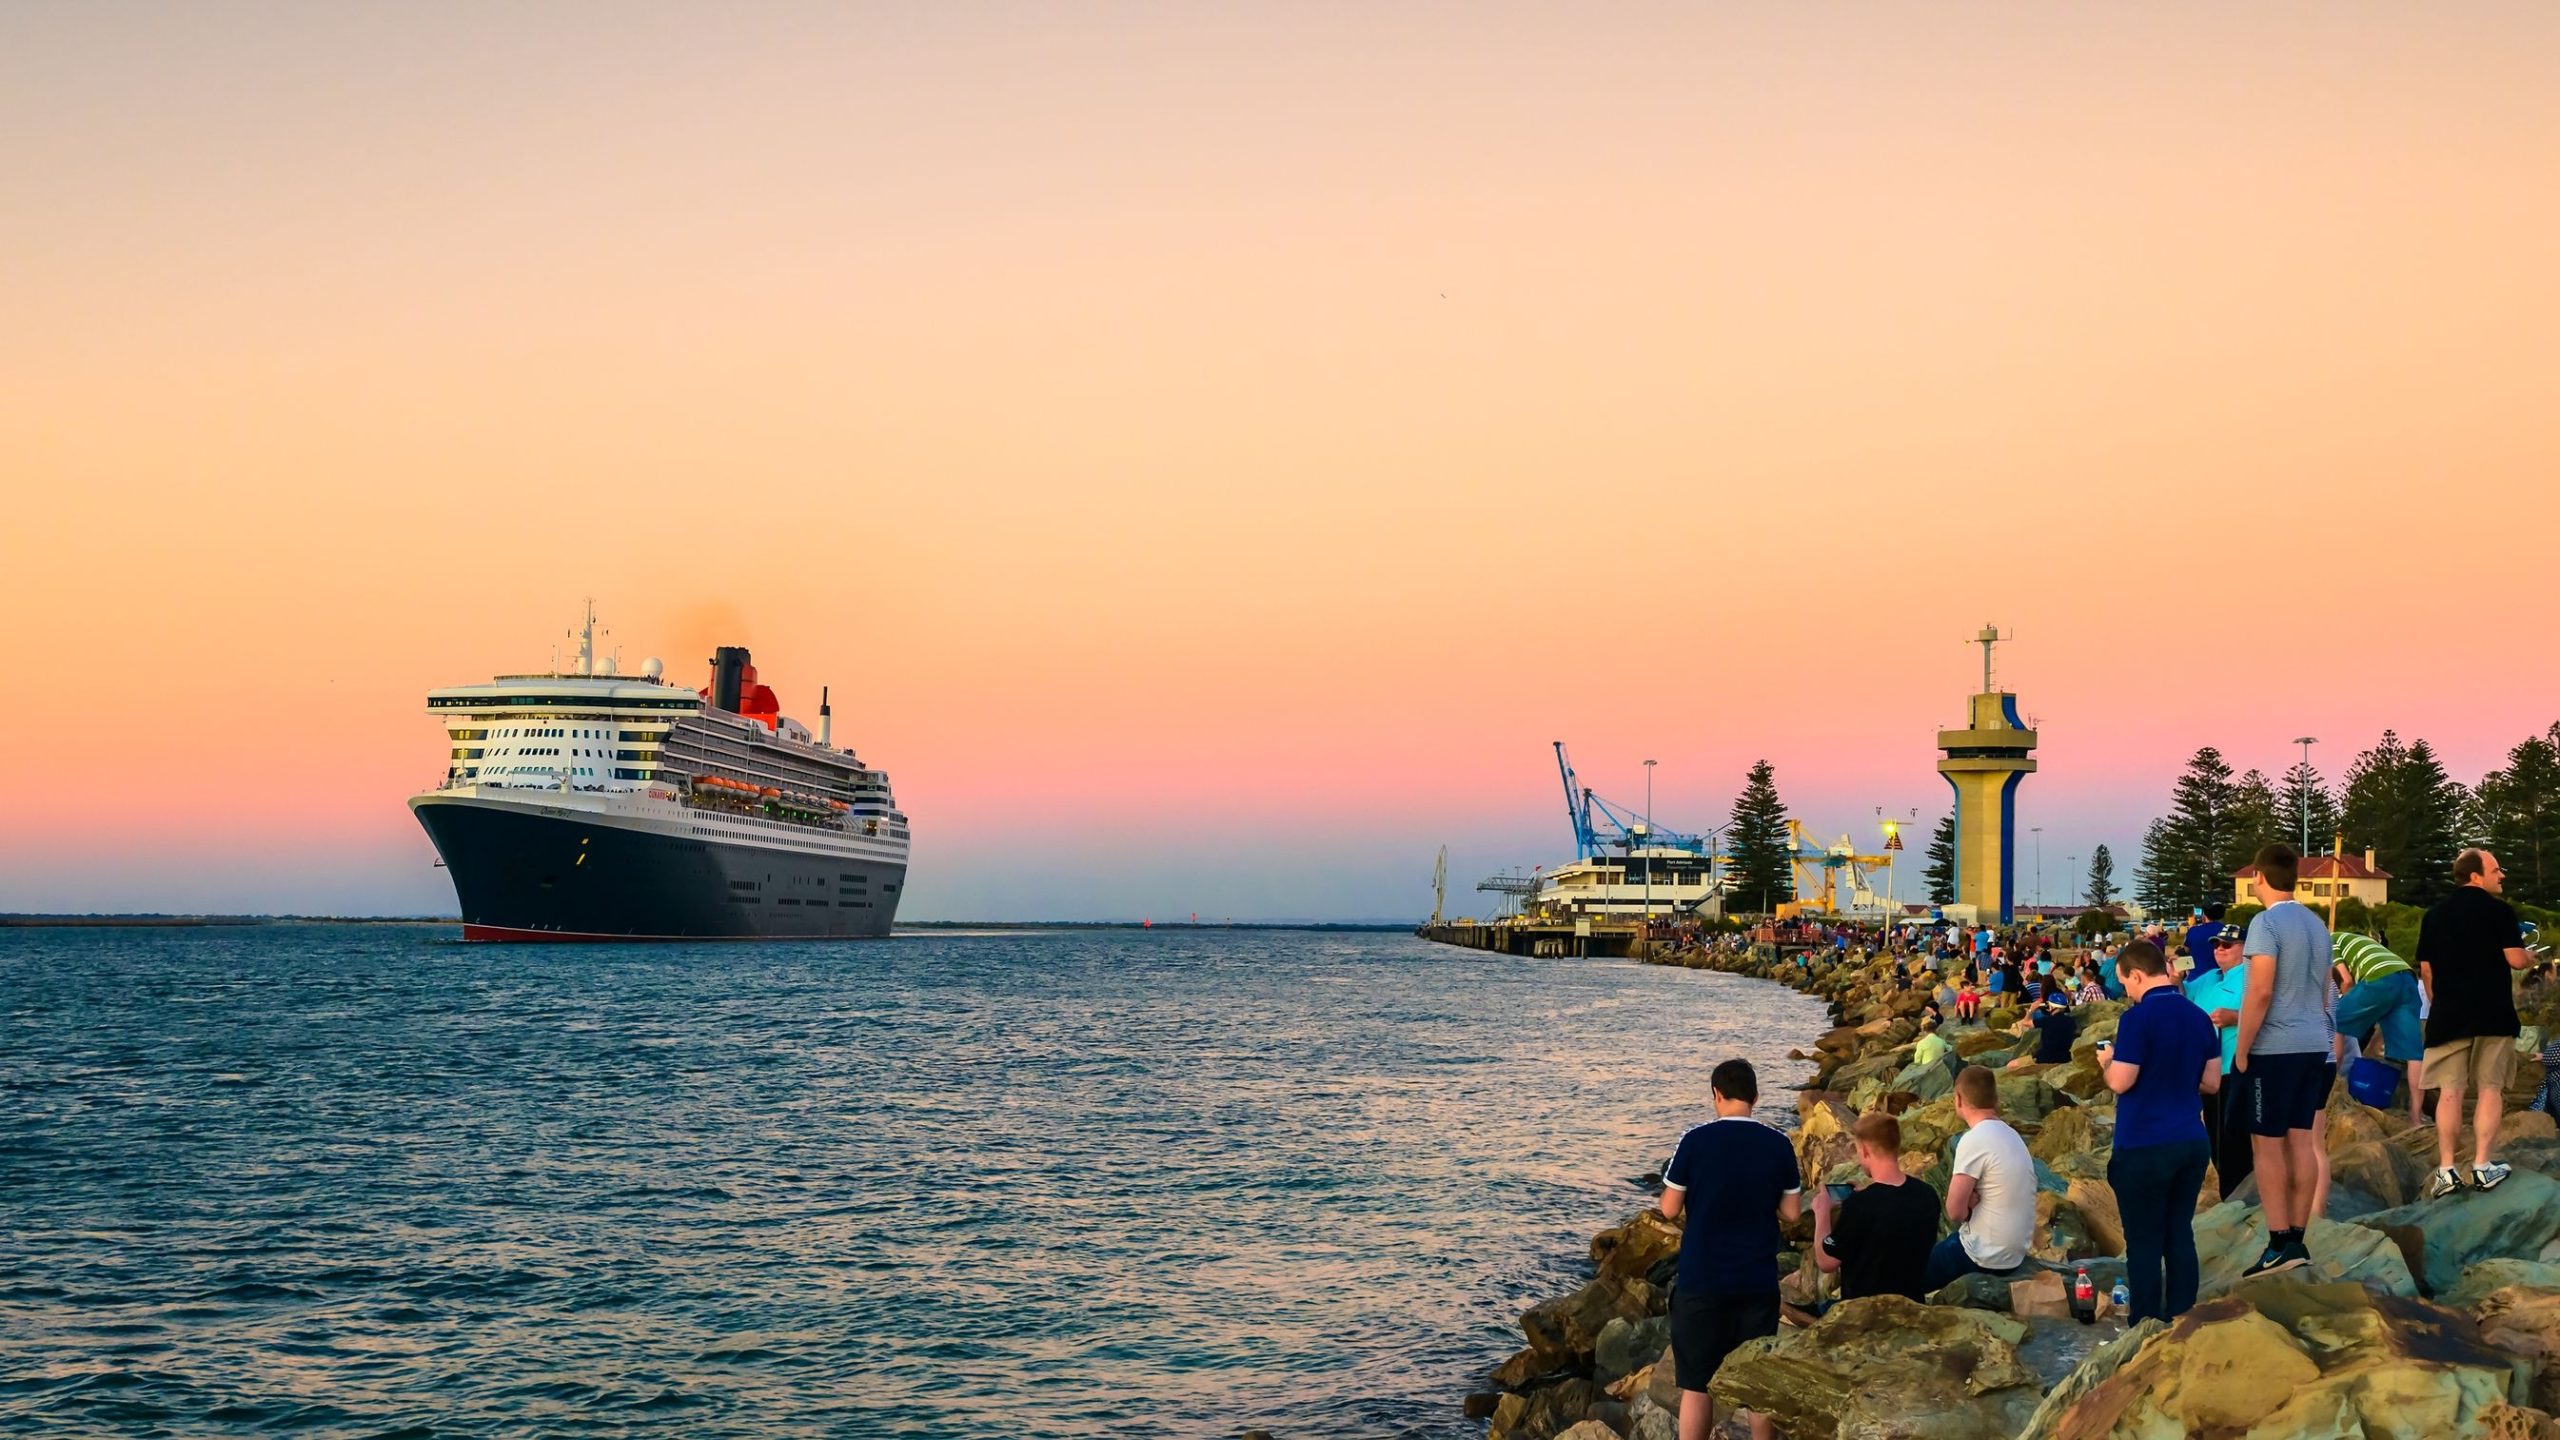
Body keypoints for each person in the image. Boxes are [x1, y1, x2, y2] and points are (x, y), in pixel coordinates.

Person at [1658, 1059, 1799, 1440]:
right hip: (1756, 1281)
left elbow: (1669, 1208)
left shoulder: (1694, 1140)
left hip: (1701, 1280)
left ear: (1716, 1095)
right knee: (1756, 1385)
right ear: (1756, 1096)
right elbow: (1790, 1212)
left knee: (1697, 1385)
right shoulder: (1779, 1143)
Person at [2094, 938, 2221, 1322]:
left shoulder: (2137, 1018)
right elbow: (2212, 1082)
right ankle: (2183, 1314)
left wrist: (2107, 1061)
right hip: (2190, 1141)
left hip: (2144, 1144)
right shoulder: (2198, 1016)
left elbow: (2121, 1082)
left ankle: (2146, 1322)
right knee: (2179, 1232)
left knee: (2145, 1241)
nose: (2125, 991)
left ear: (2136, 975)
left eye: (2124, 983)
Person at [2232, 843, 2337, 1277]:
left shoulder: (2265, 923)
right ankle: (2298, 1237)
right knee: (2302, 1140)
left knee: (2267, 1145)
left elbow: (2260, 990)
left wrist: (2242, 1048)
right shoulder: (2316, 925)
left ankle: (2278, 1242)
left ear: (2258, 876)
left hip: (2275, 1049)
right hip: (2316, 1043)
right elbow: (2327, 985)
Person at [2416, 849, 2538, 1198]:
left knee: (2450, 1093)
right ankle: (2483, 1166)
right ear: (2475, 875)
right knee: (2489, 1089)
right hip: (2493, 1014)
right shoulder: (2499, 912)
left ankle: (2447, 1169)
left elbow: (2427, 970)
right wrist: (2530, 956)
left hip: (2449, 1015)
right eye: (2496, 870)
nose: (2502, 876)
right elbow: (2515, 959)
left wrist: (2441, 1001)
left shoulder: (2434, 915)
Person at [1920, 1065, 2036, 1291]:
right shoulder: (2012, 1135)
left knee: (1909, 1272)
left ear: (1959, 1099)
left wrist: (1967, 1207)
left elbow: (1954, 1212)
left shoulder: (1975, 1139)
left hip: (1984, 1256)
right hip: (2014, 1255)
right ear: (1995, 1098)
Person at [1812, 1112, 1942, 1302]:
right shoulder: (1927, 1195)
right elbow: (1891, 1211)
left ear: (1865, 1150)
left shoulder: (1860, 1205)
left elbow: (1826, 1262)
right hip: (1911, 1303)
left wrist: (1822, 1213)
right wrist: (1867, 1194)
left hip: (1865, 1312)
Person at [2182, 923, 2257, 1198]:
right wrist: (2176, 979)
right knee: (2216, 1140)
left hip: (2235, 1070)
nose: (2220, 950)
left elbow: (2268, 1015)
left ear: (2245, 949)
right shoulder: (2209, 977)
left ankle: (2240, 1200)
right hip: (2207, 1072)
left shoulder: (2250, 978)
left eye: (2228, 944)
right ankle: (2233, 1198)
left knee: (2233, 1142)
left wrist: (2234, 1018)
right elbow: (2182, 998)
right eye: (2216, 945)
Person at [2332, 930, 2427, 1127]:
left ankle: (2331, 1089)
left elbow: (2347, 981)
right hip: (2407, 978)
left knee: (2335, 1021)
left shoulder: (2330, 940)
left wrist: (2345, 1003)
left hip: (2380, 977)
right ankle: (2416, 1117)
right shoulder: (2359, 941)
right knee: (2413, 1054)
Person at [2006, 996, 2076, 1070]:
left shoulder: (2047, 1020)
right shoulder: (2071, 1021)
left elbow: (2025, 1023)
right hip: (2065, 1058)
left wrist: (2031, 1010)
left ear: (2051, 1007)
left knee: (2011, 1065)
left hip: (2045, 1058)